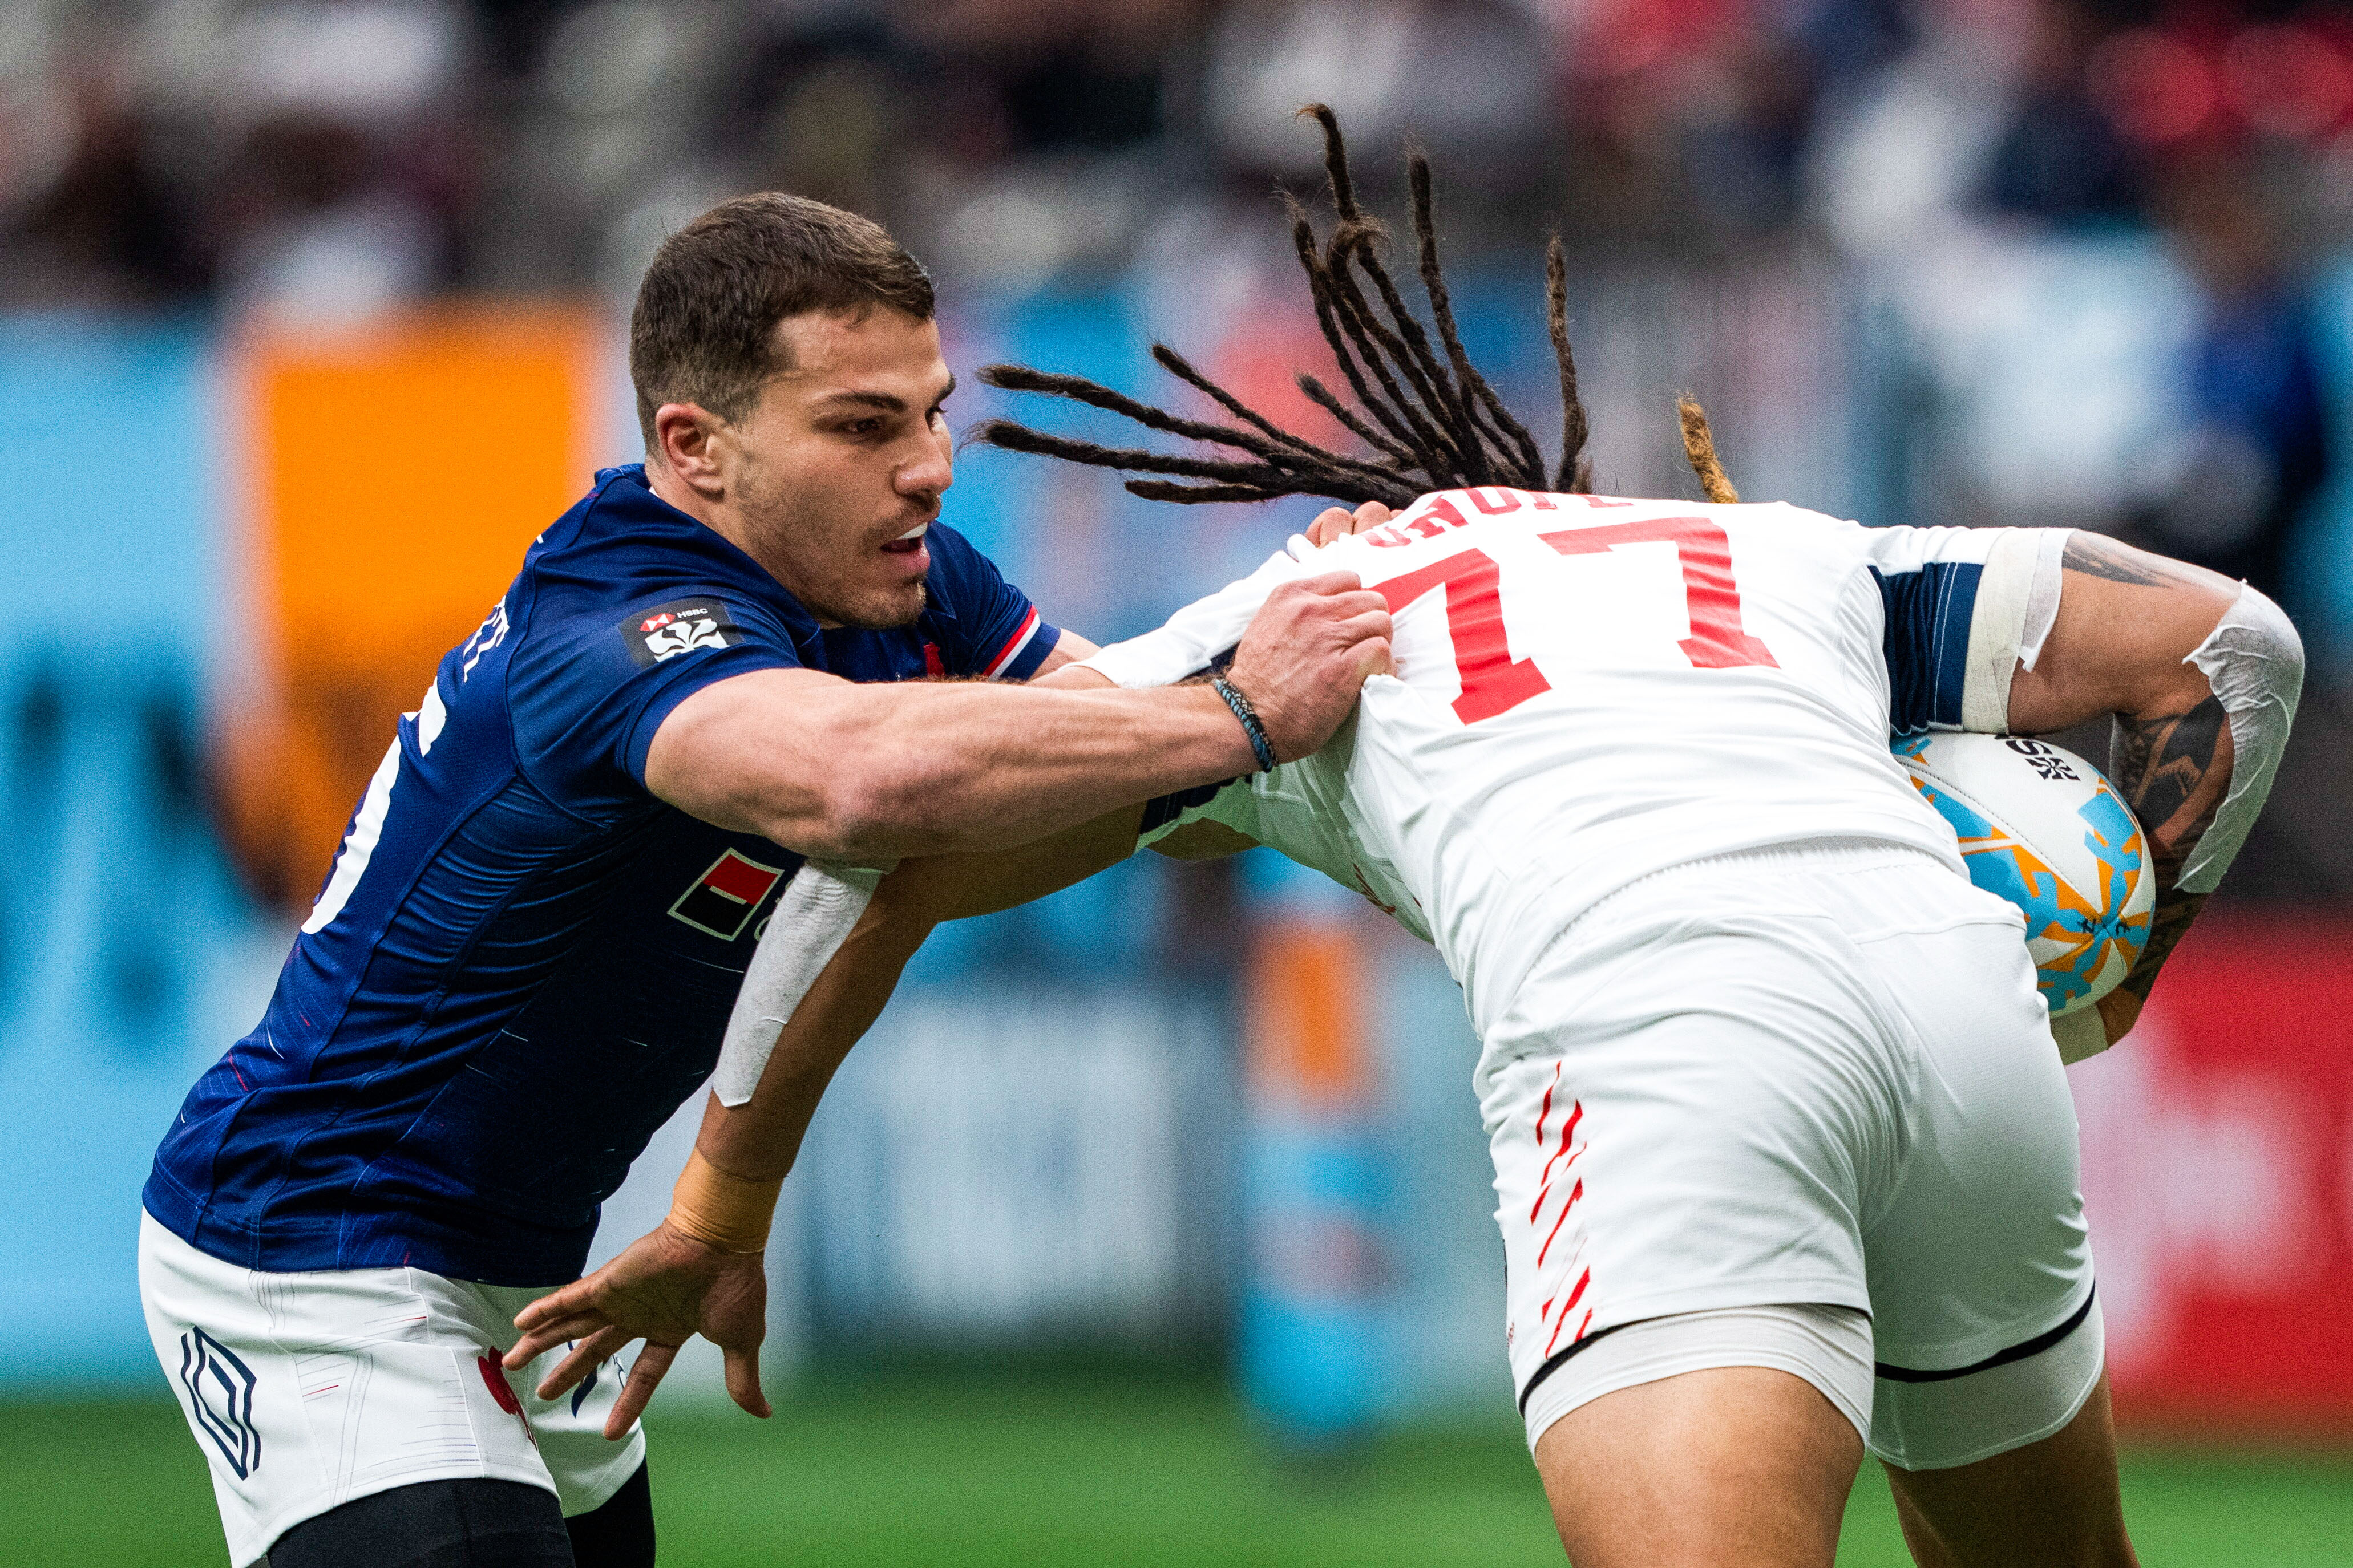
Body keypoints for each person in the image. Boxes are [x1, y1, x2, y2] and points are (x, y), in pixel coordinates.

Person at [515, 114, 2302, 1568]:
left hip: (1669, 1034)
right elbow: (2233, 645)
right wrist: (2115, 977)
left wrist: (718, 1203)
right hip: (1960, 1009)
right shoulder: (1773, 553)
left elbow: (881, 858)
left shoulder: (1309, 613)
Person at [137, 192, 1391, 1568]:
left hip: (534, 1266)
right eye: (862, 427)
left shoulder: (910, 585)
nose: (928, 468)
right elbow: (854, 783)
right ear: (697, 447)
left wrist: (1329, 638)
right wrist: (1239, 710)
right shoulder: (608, 622)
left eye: (931, 412)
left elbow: (1126, 771)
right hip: (311, 1243)